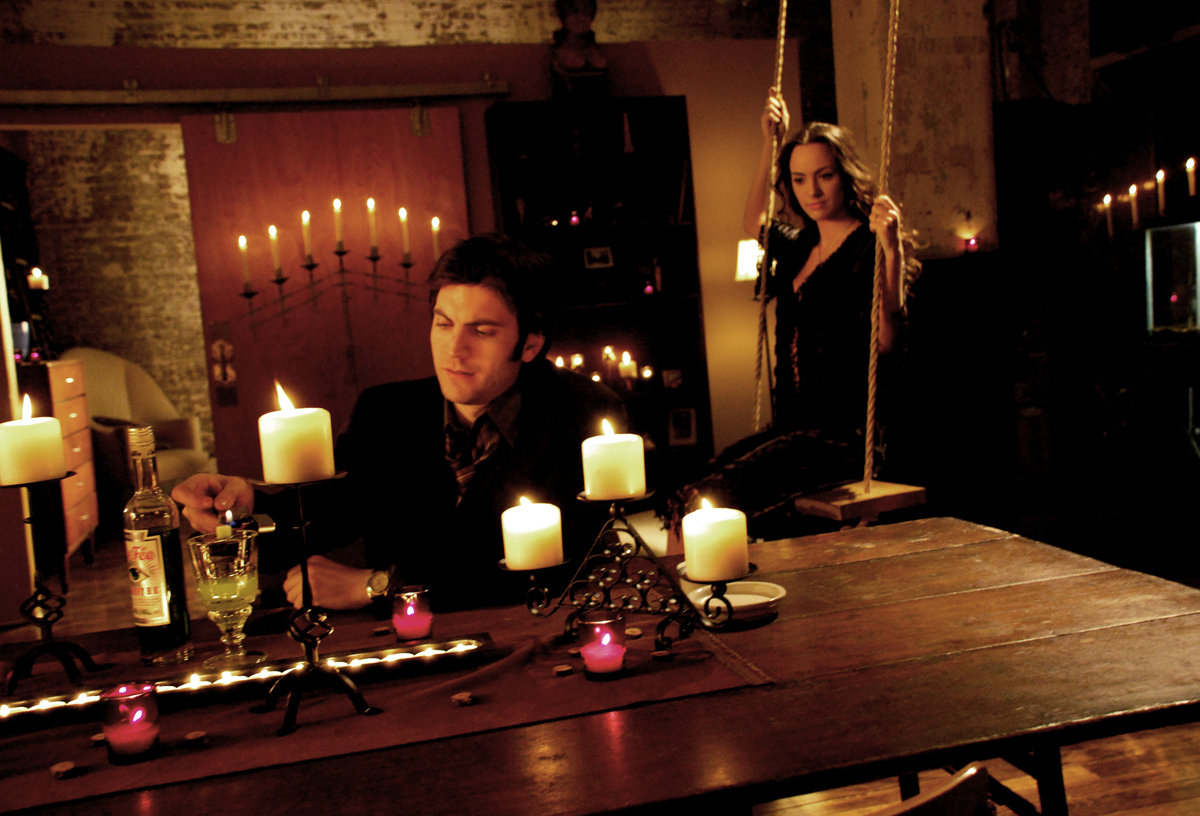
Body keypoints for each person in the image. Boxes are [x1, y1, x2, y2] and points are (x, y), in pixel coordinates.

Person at [173, 234, 628, 612]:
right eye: (443, 324)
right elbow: (327, 513)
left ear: (529, 345)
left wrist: (376, 585)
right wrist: (242, 508)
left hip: (532, 629)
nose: (454, 349)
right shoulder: (387, 411)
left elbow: (566, 566)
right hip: (408, 643)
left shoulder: (583, 413)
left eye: (482, 331)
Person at [667, 90, 920, 537]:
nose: (812, 191)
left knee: (712, 499)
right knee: (690, 488)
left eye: (825, 176)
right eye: (799, 179)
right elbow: (754, 221)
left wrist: (893, 249)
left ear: (846, 176)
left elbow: (886, 341)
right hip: (793, 429)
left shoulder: (866, 246)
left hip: (842, 439)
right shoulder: (802, 244)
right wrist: (772, 141)